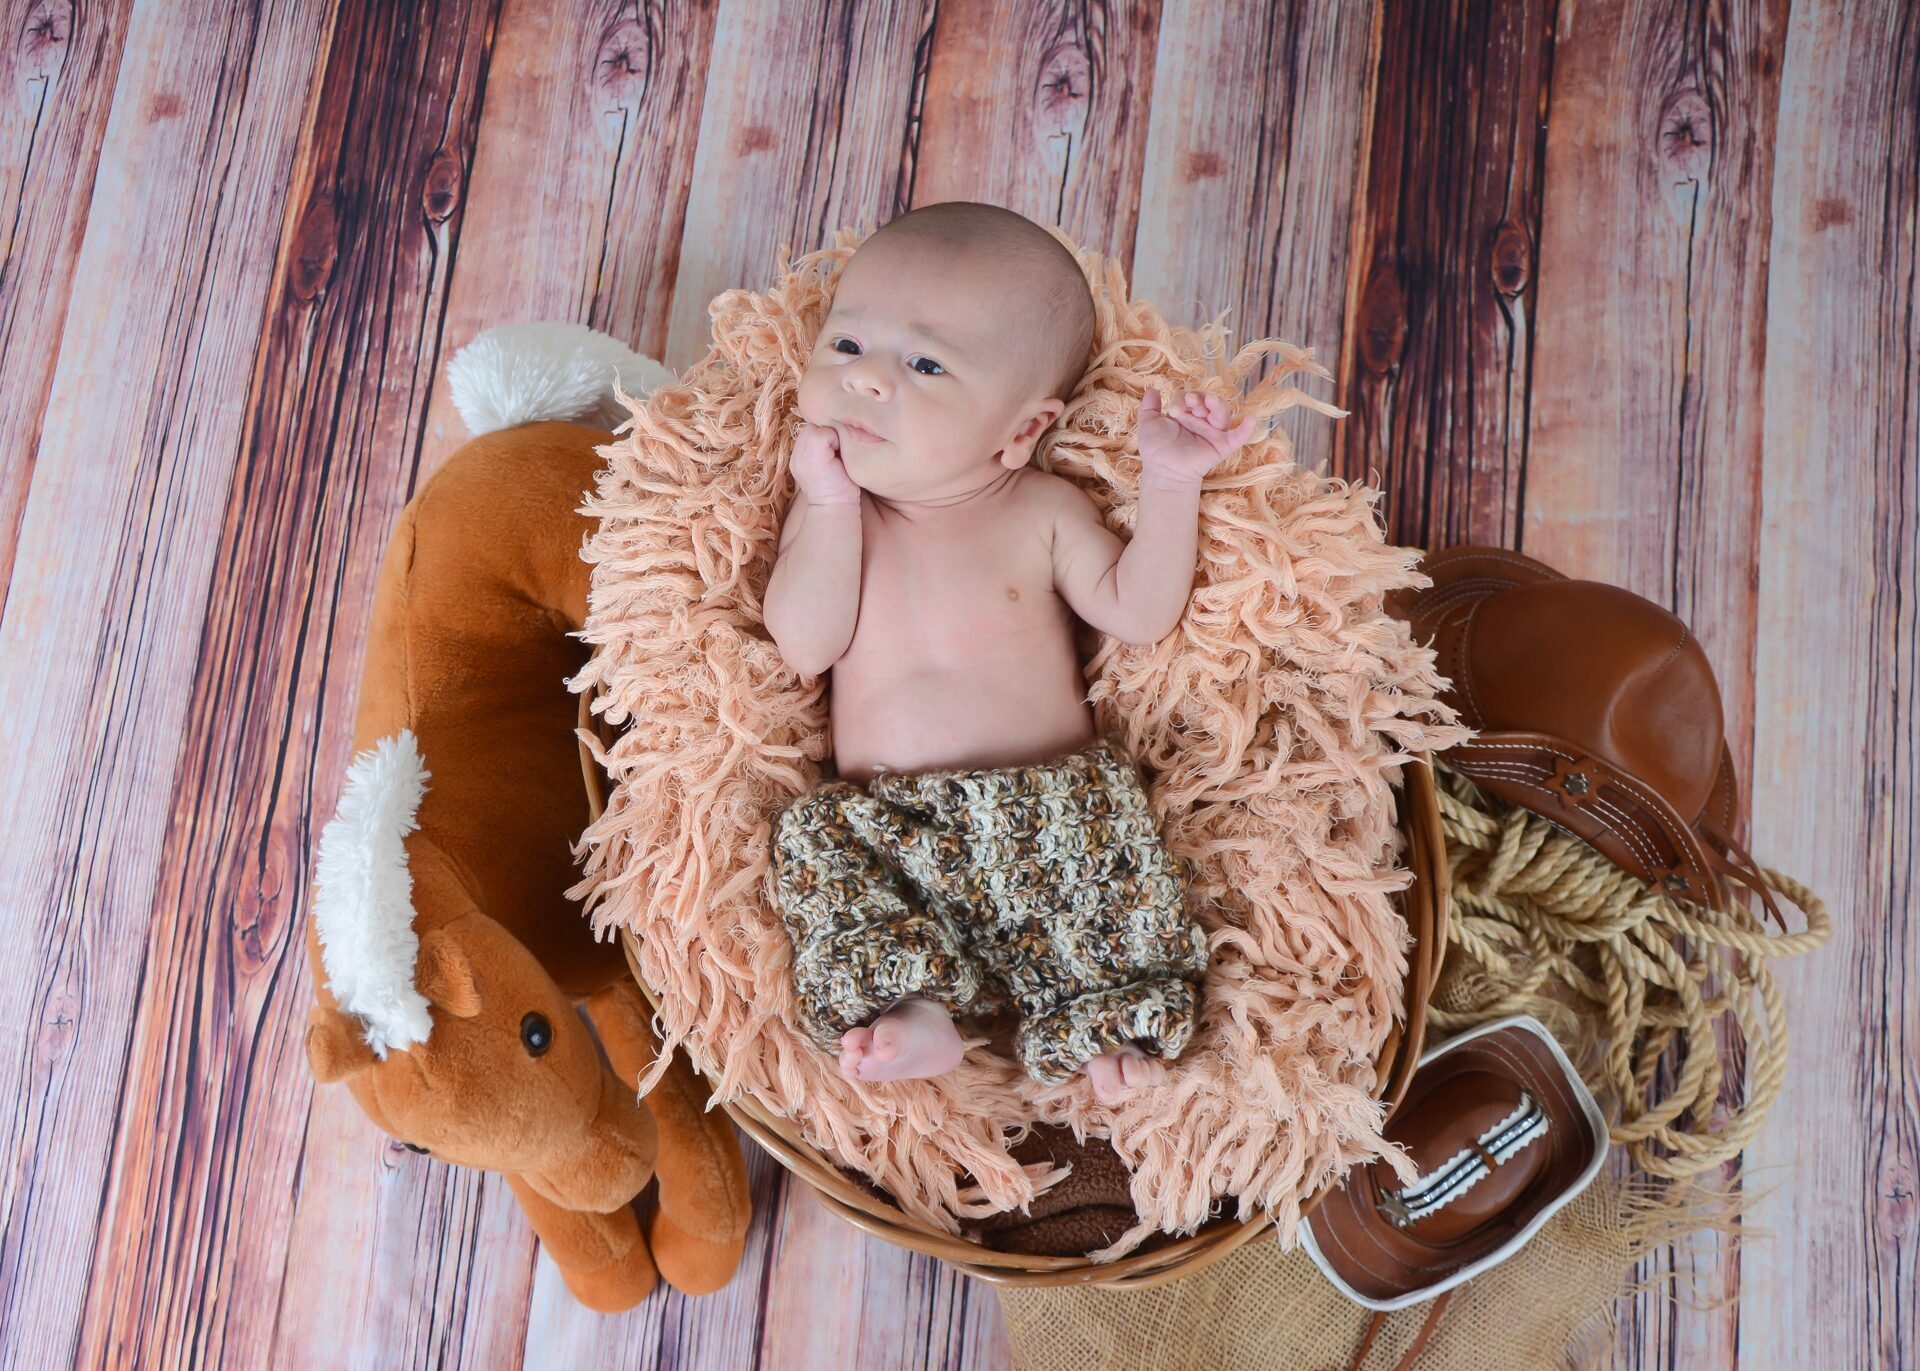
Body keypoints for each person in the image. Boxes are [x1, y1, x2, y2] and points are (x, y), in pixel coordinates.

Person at [763, 202, 1257, 1103]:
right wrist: (827, 506)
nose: (866, 379)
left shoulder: (1042, 511)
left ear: (1022, 431)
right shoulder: (837, 510)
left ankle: (1109, 1024)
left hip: (1051, 813)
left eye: (924, 364)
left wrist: (1171, 480)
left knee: (1112, 889)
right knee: (815, 851)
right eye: (847, 345)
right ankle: (916, 1010)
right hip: (888, 827)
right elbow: (804, 641)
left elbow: (1139, 612)